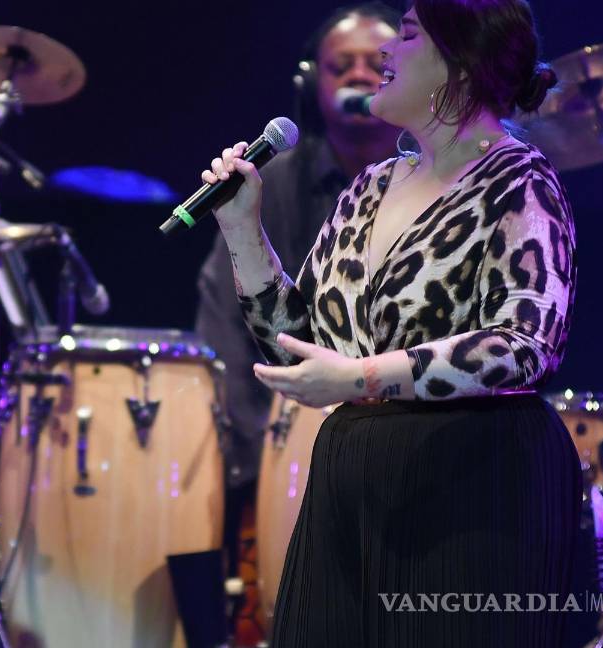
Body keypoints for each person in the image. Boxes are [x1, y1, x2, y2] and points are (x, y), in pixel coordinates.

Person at [201, 0, 579, 644]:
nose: (384, 54)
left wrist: (363, 377)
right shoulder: (374, 185)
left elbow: (523, 345)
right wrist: (242, 228)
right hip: (355, 481)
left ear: (459, 61)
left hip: (470, 484)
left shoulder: (518, 182)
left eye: (405, 36)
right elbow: (303, 347)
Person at [196, 2, 401, 488]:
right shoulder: (272, 184)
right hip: (285, 447)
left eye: (378, 64)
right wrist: (251, 458)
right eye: (341, 65)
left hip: (405, 442)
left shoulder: (432, 185)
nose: (360, 75)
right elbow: (225, 323)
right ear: (311, 83)